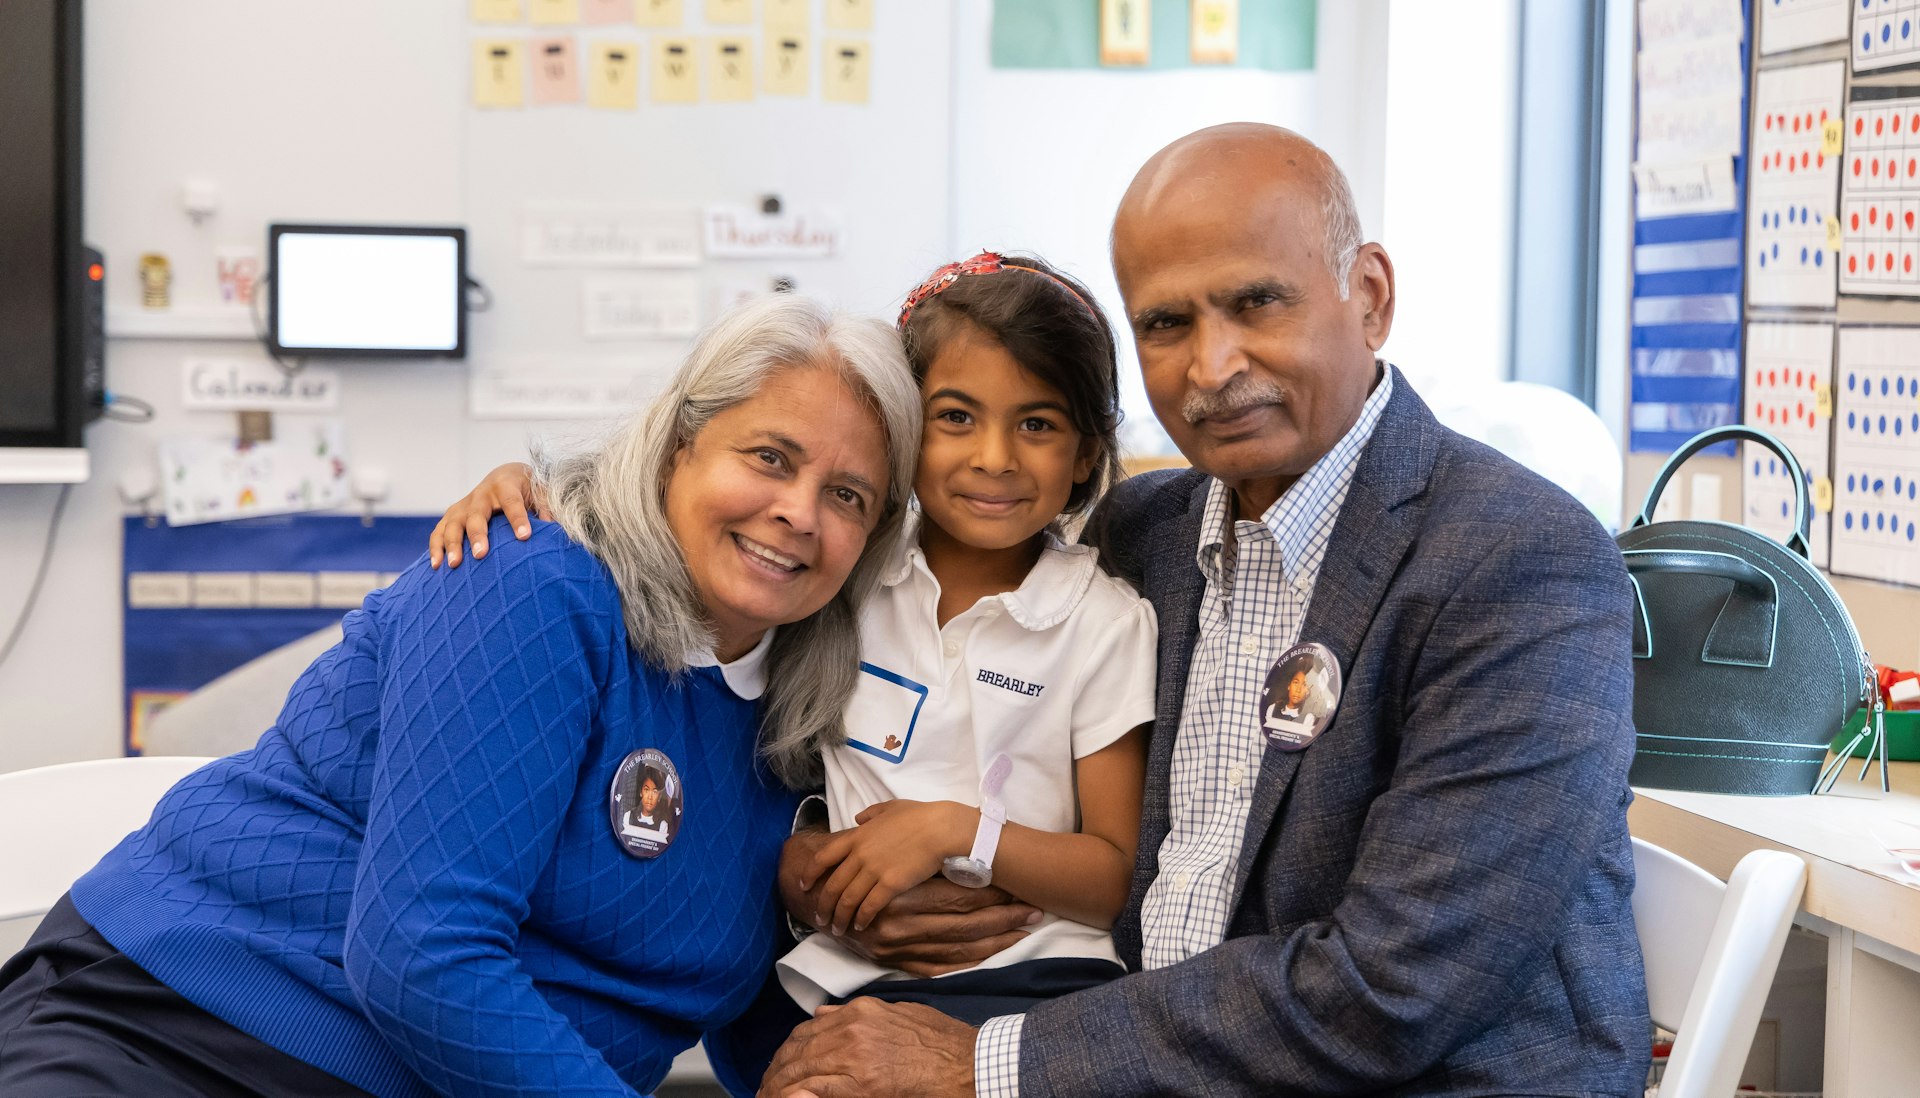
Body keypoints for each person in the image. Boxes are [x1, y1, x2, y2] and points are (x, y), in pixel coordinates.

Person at [756, 123, 1648, 1097]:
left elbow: (1393, 992)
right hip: (1142, 1043)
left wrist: (983, 1061)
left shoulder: (1519, 560)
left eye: (1257, 303)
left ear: (1371, 298)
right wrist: (814, 869)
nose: (1212, 367)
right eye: (1166, 324)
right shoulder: (1142, 533)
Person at [0, 293, 922, 1098]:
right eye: (768, 457)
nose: (799, 512)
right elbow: (423, 957)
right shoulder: (530, 584)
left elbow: (723, 990)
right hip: (176, 1029)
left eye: (847, 495)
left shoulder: (806, 714)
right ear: (680, 445)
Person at [428, 252, 1158, 1034]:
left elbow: (1116, 870)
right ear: (904, 434)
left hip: (1041, 982)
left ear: (1087, 451)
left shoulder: (1104, 620)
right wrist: (529, 485)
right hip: (843, 979)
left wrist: (953, 829)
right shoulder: (841, 575)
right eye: (955, 417)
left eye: (1037, 424)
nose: (993, 457)